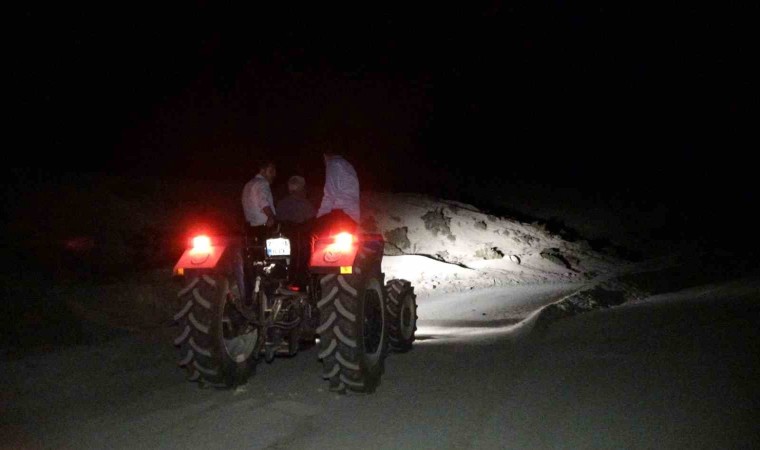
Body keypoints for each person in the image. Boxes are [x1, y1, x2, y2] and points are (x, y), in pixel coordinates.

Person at [316, 149, 360, 224]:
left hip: (340, 216)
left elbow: (329, 195)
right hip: (354, 217)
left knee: (311, 228)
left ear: (325, 156)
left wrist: (319, 217)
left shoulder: (333, 164)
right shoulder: (347, 164)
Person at [241, 159, 277, 228]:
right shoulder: (262, 183)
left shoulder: (248, 184)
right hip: (264, 226)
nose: (274, 174)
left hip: (250, 226)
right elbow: (263, 201)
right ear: (262, 171)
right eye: (271, 171)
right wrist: (270, 216)